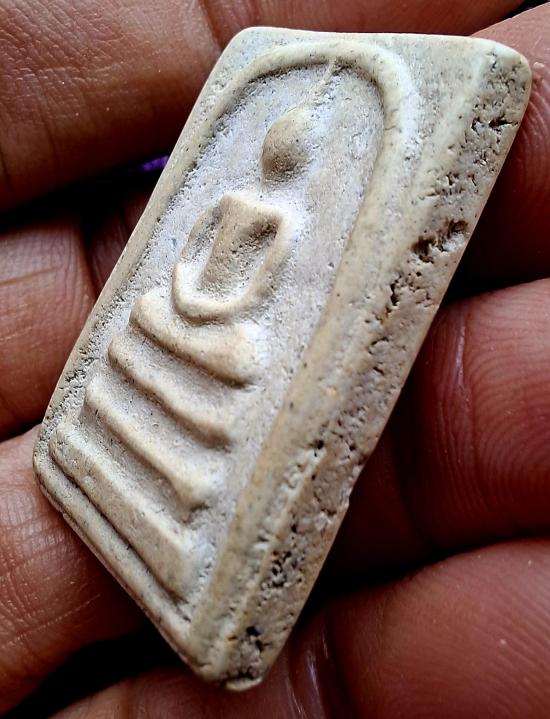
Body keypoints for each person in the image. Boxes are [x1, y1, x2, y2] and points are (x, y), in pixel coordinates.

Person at [0, 1, 548, 716]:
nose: (276, 156)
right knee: (151, 317)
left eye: (290, 148)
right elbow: (192, 260)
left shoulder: (282, 218)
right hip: (184, 315)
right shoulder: (234, 197)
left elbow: (255, 288)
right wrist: (186, 302)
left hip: (224, 330)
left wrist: (209, 314)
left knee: (242, 355)